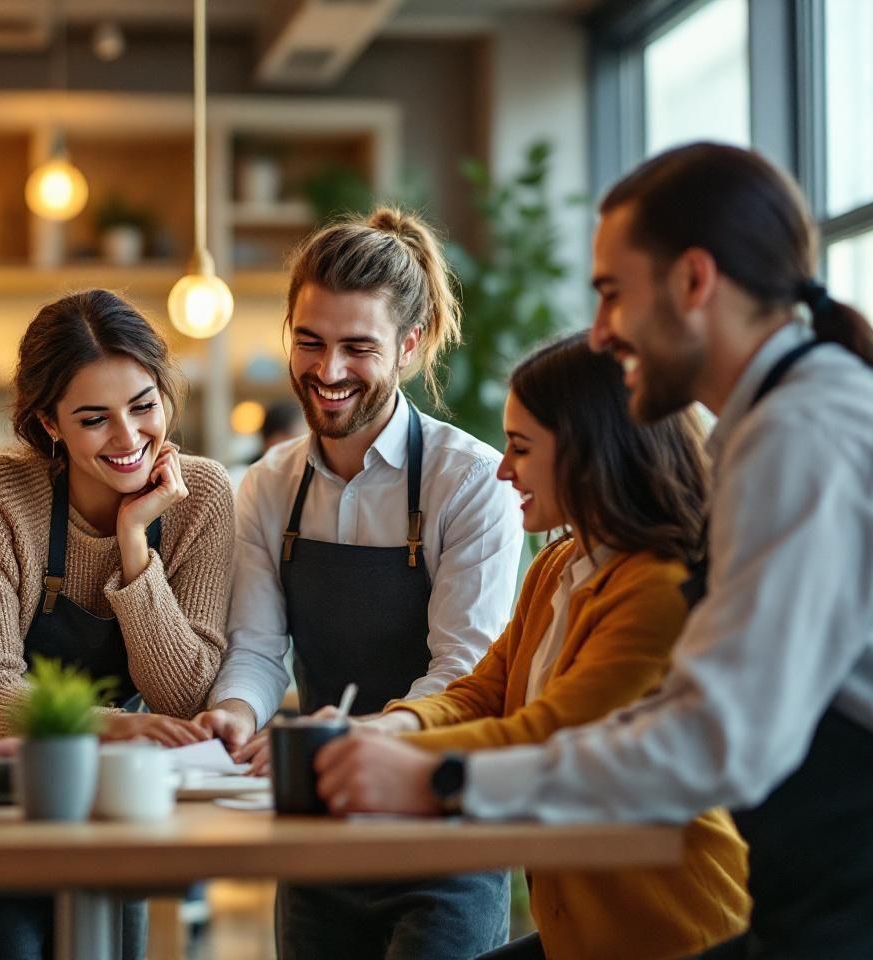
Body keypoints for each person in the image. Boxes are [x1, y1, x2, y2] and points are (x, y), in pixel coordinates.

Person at [314, 143, 873, 959]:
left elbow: (717, 739)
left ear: (694, 282)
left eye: (612, 295)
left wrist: (442, 780)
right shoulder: (778, 424)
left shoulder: (799, 434)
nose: (599, 333)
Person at [321, 333, 750, 959]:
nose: (502, 468)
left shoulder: (660, 590)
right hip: (585, 936)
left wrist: (403, 767)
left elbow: (550, 737)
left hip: (679, 935)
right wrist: (391, 730)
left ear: (588, 453)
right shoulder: (558, 565)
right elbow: (485, 693)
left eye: (521, 447)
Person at [195, 208, 525, 959]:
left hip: (441, 834)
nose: (328, 370)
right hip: (320, 837)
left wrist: (353, 739)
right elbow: (253, 650)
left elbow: (463, 675)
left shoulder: (468, 483)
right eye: (309, 342)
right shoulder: (268, 486)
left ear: (409, 347)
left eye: (358, 347)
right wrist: (235, 716)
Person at [0, 288, 235, 959]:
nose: (129, 439)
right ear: (49, 423)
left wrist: (134, 543)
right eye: (94, 418)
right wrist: (119, 727)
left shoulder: (203, 497)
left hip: (111, 803)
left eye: (144, 406)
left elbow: (183, 696)